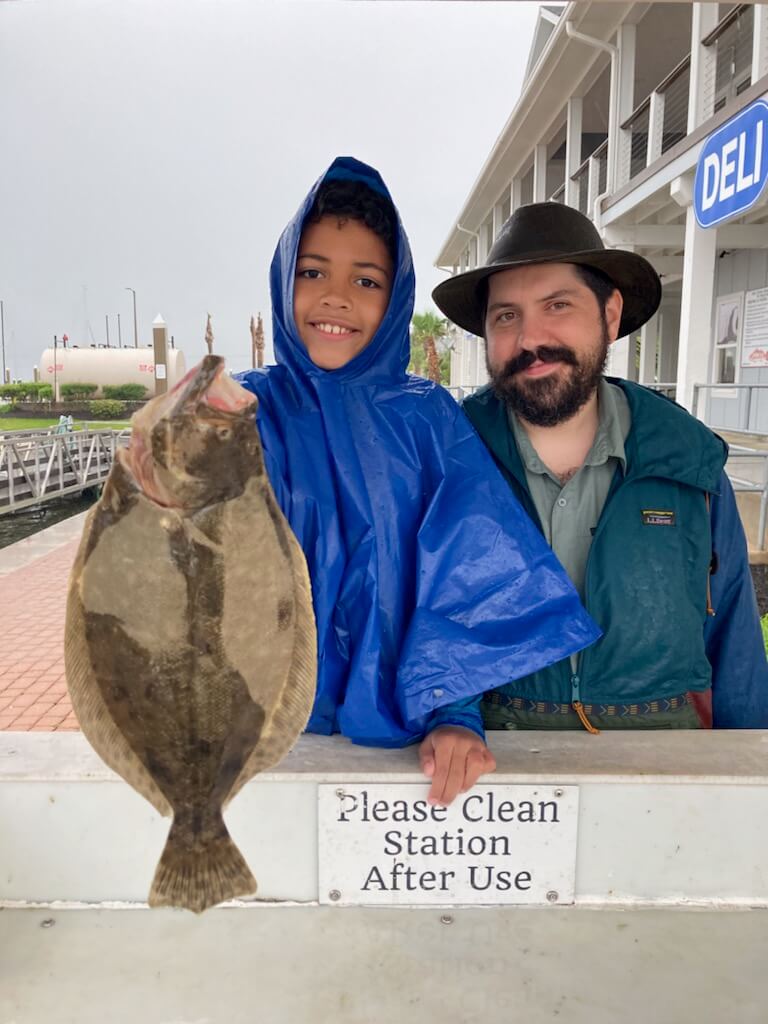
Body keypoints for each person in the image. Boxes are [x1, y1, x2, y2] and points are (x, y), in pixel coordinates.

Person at [237, 158, 600, 802]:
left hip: (397, 741)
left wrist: (454, 715)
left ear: (395, 295)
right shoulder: (244, 413)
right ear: (282, 278)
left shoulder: (426, 416)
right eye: (312, 271)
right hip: (257, 737)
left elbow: (465, 567)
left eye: (367, 279)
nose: (336, 296)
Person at [432, 201, 768, 731]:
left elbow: (736, 648)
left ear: (609, 315)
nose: (530, 338)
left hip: (662, 778)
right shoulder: (445, 459)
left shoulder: (687, 464)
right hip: (496, 778)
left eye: (557, 305)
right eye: (506, 316)